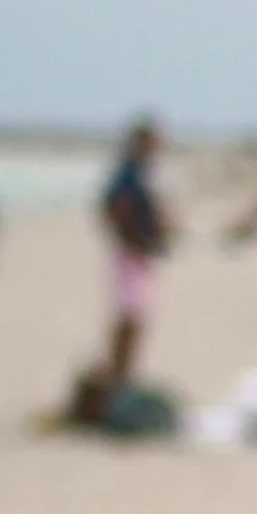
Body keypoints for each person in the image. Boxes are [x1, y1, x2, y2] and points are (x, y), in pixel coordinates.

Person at [95, 118, 174, 397]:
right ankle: (119, 378)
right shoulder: (128, 174)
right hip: (132, 254)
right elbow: (114, 209)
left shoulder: (142, 173)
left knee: (137, 316)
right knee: (131, 316)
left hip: (140, 252)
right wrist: (135, 240)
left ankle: (123, 376)